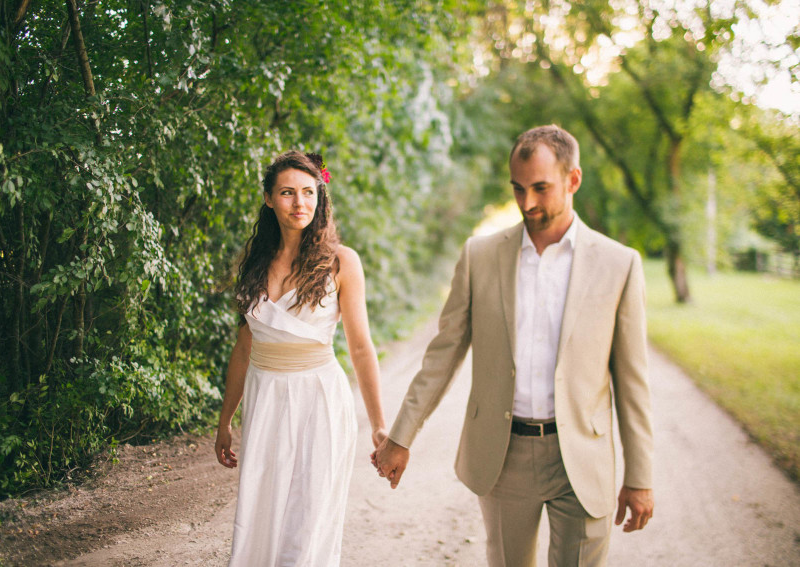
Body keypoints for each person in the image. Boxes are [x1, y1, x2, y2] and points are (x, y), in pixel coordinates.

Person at [373, 125, 654, 566]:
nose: (527, 203)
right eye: (518, 189)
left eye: (541, 188)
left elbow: (633, 382)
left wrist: (640, 476)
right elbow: (442, 355)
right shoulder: (479, 256)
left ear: (573, 180)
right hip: (504, 456)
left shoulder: (619, 264)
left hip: (580, 456)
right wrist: (401, 436)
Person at [215, 150, 387, 566]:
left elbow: (361, 348)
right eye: (288, 193)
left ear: (320, 196)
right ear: (270, 199)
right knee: (261, 515)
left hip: (319, 401)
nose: (300, 203)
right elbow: (243, 348)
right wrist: (225, 421)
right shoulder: (255, 262)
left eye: (308, 192)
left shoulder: (341, 262)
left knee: (307, 523)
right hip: (266, 399)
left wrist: (380, 426)